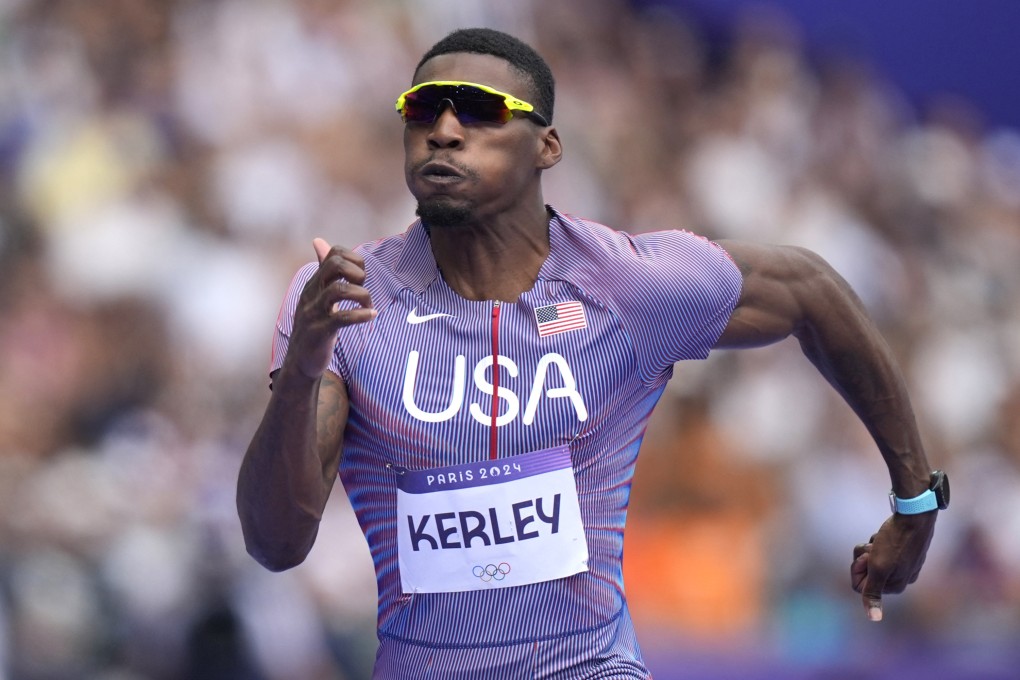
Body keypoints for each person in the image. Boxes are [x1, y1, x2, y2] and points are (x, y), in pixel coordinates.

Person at [237, 27, 944, 679]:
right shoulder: (349, 300)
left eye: (481, 109)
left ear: (546, 145)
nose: (444, 131)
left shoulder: (625, 283)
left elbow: (812, 290)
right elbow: (276, 543)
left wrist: (916, 500)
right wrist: (302, 368)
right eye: (421, 111)